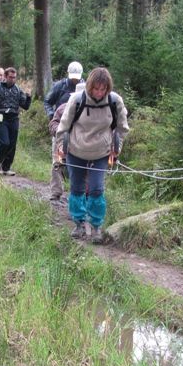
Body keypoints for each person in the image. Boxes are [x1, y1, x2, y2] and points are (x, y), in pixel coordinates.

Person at [56, 67, 129, 244]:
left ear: (108, 88)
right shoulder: (77, 99)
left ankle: (96, 226)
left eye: (103, 89)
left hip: (101, 152)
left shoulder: (114, 101)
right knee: (77, 187)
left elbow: (122, 128)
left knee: (96, 188)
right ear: (89, 86)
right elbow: (63, 126)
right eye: (96, 88)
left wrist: (116, 147)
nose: (99, 92)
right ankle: (79, 223)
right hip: (76, 149)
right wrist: (60, 146)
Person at [44, 61, 84, 199]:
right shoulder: (59, 86)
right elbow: (48, 101)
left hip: (81, 134)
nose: (75, 79)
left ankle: (80, 193)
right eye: (73, 76)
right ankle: (56, 192)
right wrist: (52, 117)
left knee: (82, 164)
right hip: (60, 128)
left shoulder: (86, 87)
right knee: (57, 162)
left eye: (77, 77)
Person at [0, 67, 32, 175]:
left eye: (14, 77)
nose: (12, 79)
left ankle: (6, 167)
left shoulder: (17, 90)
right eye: (10, 77)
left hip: (13, 118)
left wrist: (28, 97)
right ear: (5, 77)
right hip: (1, 118)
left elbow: (25, 106)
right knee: (4, 142)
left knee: (12, 144)